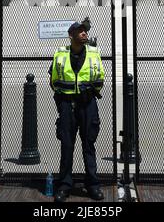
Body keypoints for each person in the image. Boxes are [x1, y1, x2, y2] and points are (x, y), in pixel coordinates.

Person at [48, 19, 105, 203]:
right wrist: (61, 101)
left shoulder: (94, 54)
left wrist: (90, 93)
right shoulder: (60, 55)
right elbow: (53, 80)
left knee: (89, 145)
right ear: (71, 35)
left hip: (88, 104)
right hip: (67, 104)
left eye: (85, 31)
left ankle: (93, 185)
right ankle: (64, 185)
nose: (84, 33)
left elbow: (100, 78)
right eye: (80, 31)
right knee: (66, 146)